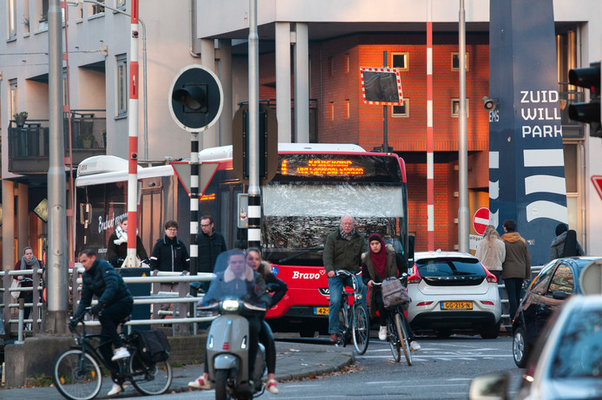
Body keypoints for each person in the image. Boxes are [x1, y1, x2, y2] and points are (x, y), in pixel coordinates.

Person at [188, 250, 269, 391]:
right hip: (226, 315)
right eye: (234, 262)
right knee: (211, 334)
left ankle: (250, 375)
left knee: (254, 330)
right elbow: (211, 293)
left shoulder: (254, 277)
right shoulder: (221, 278)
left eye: (239, 262)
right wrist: (205, 301)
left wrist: (262, 301)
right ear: (228, 263)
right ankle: (206, 376)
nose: (237, 265)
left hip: (247, 316)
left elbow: (263, 294)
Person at [71, 249, 133, 397]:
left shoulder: (104, 266)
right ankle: (119, 380)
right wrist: (75, 318)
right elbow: (85, 299)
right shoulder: (86, 276)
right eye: (81, 262)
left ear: (93, 258)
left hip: (123, 302)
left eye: (85, 261)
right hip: (109, 307)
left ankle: (120, 347)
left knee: (103, 315)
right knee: (103, 347)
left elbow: (112, 286)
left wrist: (101, 303)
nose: (83, 265)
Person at [361, 234, 420, 350]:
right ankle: (383, 326)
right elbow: (365, 276)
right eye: (372, 244)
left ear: (381, 244)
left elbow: (403, 266)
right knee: (381, 303)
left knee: (399, 311)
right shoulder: (367, 259)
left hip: (393, 286)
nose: (375, 246)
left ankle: (411, 340)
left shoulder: (392, 254)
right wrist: (369, 281)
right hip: (378, 287)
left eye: (377, 244)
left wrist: (403, 275)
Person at [323, 215, 367, 344]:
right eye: (345, 224)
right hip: (335, 274)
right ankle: (333, 332)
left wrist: (366, 268)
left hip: (352, 272)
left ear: (353, 225)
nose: (347, 226)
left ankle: (360, 320)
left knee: (363, 286)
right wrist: (330, 270)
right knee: (335, 301)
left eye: (350, 224)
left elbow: (364, 256)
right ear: (341, 224)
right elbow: (327, 256)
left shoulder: (359, 238)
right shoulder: (332, 237)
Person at [501, 219, 531, 320]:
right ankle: (518, 317)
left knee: (511, 297)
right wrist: (527, 275)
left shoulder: (502, 242)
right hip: (520, 272)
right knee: (518, 296)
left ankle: (513, 318)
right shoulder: (522, 241)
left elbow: (501, 257)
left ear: (505, 228)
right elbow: (527, 259)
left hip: (508, 272)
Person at [197, 215, 227, 292]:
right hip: (203, 275)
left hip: (217, 273)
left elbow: (224, 255)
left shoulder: (219, 237)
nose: (203, 228)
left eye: (206, 225)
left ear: (212, 225)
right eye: (202, 225)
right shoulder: (198, 238)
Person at [13, 246, 43, 321]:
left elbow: (43, 273)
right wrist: (19, 276)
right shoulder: (20, 263)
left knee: (37, 309)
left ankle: (36, 327)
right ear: (24, 255)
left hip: (36, 290)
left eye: (30, 253)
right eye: (27, 254)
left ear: (33, 254)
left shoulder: (38, 262)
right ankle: (23, 328)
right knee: (25, 311)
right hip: (25, 291)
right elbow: (14, 274)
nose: (29, 255)